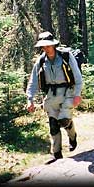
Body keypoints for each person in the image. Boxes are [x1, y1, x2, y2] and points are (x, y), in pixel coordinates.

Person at [26, 31, 83, 162]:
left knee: (64, 120)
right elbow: (33, 80)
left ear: (53, 45)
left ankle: (72, 137)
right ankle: (57, 154)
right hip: (51, 96)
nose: (46, 48)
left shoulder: (66, 56)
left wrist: (77, 94)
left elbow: (77, 76)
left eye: (48, 45)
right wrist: (30, 99)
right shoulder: (41, 60)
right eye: (43, 46)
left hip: (68, 92)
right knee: (53, 125)